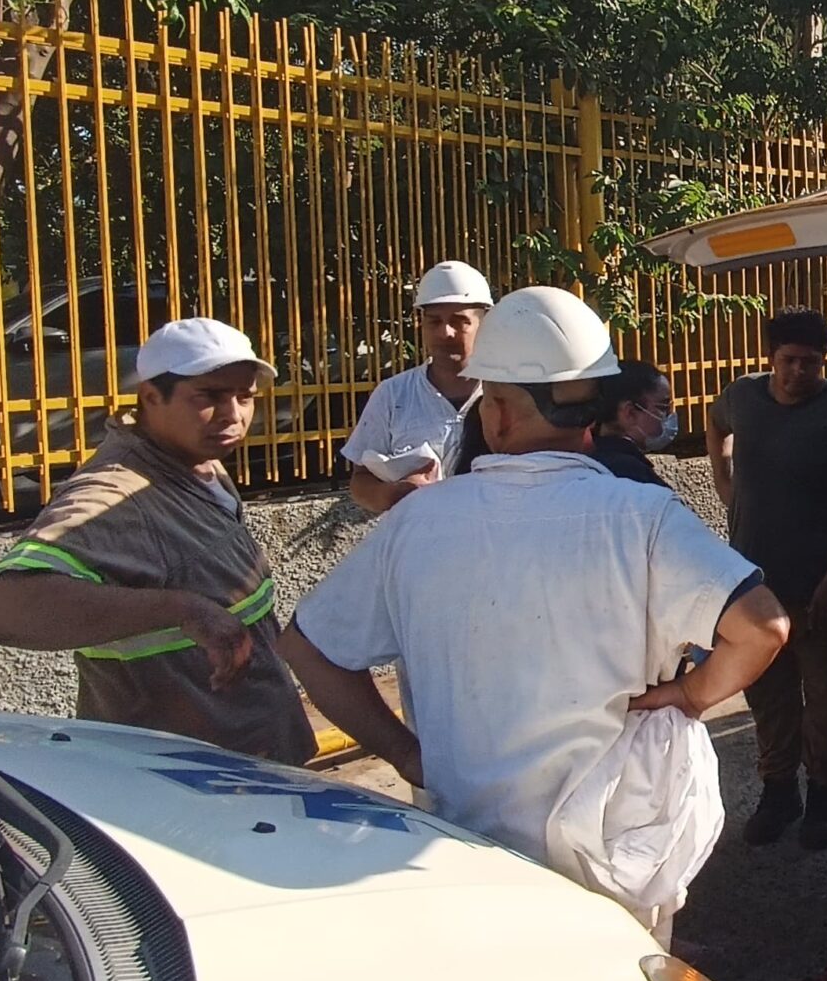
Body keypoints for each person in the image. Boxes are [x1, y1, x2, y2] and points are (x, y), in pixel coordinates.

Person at [279, 286, 792, 891]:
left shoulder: (418, 521)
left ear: (493, 412)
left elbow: (309, 649)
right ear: (596, 410)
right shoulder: (645, 517)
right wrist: (691, 694)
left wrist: (404, 753)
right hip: (614, 848)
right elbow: (763, 628)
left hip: (464, 844)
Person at [0, 319, 316, 765]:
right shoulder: (116, 494)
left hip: (253, 753)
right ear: (152, 397)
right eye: (208, 397)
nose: (233, 414)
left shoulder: (196, 461)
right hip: (187, 783)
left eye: (244, 396)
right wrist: (183, 610)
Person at [710, 309, 827, 850]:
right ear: (770, 358)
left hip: (825, 587)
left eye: (811, 363)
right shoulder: (743, 397)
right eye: (788, 361)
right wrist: (725, 483)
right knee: (768, 696)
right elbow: (716, 425)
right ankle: (777, 792)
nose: (797, 372)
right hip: (758, 584)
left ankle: (824, 801)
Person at [343, 260, 492, 513]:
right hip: (419, 543)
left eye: (459, 321)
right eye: (434, 321)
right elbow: (361, 478)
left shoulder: (507, 395)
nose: (446, 332)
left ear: (485, 324)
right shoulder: (393, 395)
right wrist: (391, 495)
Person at [590, 358, 678, 488]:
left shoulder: (585, 460)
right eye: (663, 407)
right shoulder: (633, 474)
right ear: (630, 412)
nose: (669, 415)